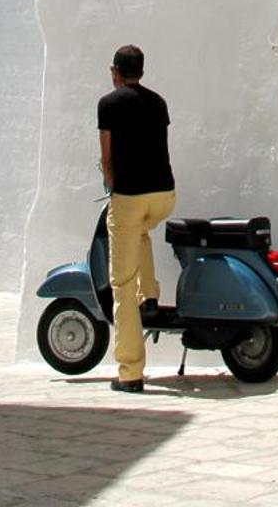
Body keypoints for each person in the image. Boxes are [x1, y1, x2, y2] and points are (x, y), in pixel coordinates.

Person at [97, 43, 176, 392]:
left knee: (121, 285)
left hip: (130, 197)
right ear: (141, 71)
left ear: (116, 70)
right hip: (164, 196)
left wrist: (110, 184)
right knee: (141, 231)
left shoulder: (109, 104)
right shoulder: (158, 102)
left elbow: (107, 157)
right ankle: (152, 296)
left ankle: (130, 372)